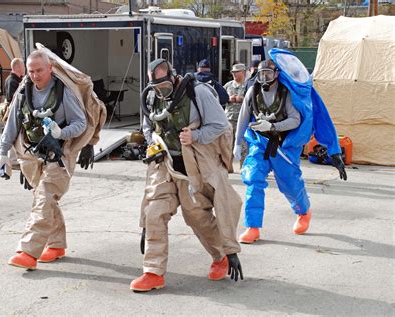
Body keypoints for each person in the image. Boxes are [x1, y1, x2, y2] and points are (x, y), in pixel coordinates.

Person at [130, 59, 243, 292]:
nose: (161, 91)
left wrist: (196, 136)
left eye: (164, 86)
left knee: (197, 217)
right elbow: (148, 126)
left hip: (193, 166)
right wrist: (153, 143)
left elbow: (221, 126)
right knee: (154, 211)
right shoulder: (151, 97)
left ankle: (220, 255)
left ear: (173, 76)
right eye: (156, 86)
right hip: (165, 163)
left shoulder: (198, 93)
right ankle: (153, 272)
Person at [0, 50, 98, 270]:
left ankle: (28, 251)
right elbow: (12, 126)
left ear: (50, 68)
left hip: (59, 156)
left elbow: (80, 123)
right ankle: (56, 245)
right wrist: (3, 154)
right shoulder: (24, 93)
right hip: (32, 156)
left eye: (40, 70)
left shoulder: (64, 93)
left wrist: (61, 134)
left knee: (43, 199)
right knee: (46, 201)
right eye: (31, 71)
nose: (35, 75)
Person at [234, 57, 347, 244]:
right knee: (253, 179)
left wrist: (272, 126)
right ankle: (252, 227)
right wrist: (237, 143)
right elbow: (243, 118)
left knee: (290, 184)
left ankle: (303, 212)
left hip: (284, 146)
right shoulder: (252, 92)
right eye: (261, 74)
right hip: (260, 144)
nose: (264, 78)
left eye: (268, 74)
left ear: (277, 74)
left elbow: (295, 120)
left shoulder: (286, 93)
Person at [224, 63, 248, 166]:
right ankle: (229, 166)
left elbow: (253, 100)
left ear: (243, 72)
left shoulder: (248, 85)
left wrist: (242, 99)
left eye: (237, 72)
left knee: (243, 144)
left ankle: (243, 166)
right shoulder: (228, 85)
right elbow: (219, 99)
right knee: (228, 143)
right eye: (233, 72)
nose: (234, 74)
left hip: (243, 119)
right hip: (229, 118)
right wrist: (228, 99)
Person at [0, 58, 25, 124]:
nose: (24, 68)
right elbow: (11, 99)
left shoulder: (10, 79)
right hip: (13, 113)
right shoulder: (12, 81)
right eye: (23, 66)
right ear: (18, 67)